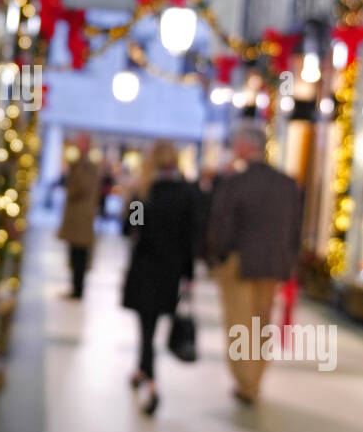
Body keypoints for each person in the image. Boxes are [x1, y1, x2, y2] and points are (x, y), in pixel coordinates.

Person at [205, 123, 302, 404]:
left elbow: (221, 224)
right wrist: (289, 262)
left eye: (236, 143)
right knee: (261, 324)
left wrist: (217, 256)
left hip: (240, 264)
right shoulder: (286, 184)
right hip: (272, 265)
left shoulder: (235, 183)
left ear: (247, 146)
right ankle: (255, 378)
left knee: (239, 324)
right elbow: (295, 228)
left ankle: (246, 382)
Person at [121, 140, 197, 416]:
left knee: (147, 330)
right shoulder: (187, 193)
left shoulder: (144, 193)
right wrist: (188, 275)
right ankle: (142, 371)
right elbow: (190, 238)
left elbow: (132, 229)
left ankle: (151, 384)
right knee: (150, 328)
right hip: (170, 272)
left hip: (145, 268)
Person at [57, 133, 102, 299]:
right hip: (78, 216)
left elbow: (80, 186)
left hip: (81, 216)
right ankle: (75, 288)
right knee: (75, 254)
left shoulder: (86, 165)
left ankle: (78, 289)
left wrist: (70, 188)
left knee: (79, 255)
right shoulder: (82, 164)